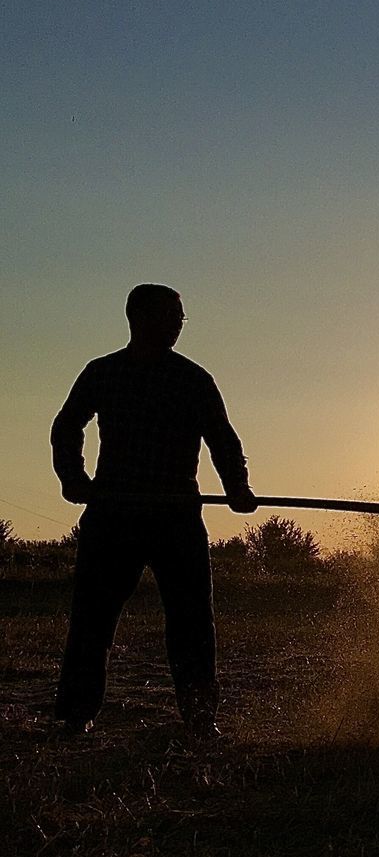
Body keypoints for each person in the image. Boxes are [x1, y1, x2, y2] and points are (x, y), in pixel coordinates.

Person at [50, 284, 258, 737]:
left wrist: (237, 488)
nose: (179, 325)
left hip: (174, 514)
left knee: (191, 619)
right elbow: (67, 426)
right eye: (172, 316)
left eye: (180, 318)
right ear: (139, 318)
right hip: (115, 512)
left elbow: (222, 438)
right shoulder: (103, 373)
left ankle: (201, 716)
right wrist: (73, 478)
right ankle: (75, 713)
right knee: (93, 616)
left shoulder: (192, 379)